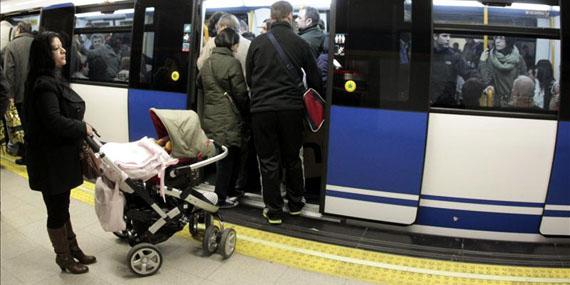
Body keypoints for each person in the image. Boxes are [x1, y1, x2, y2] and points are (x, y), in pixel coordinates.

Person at [24, 31, 96, 274]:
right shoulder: (44, 85)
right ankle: (63, 258)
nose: (63, 51)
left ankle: (73, 249)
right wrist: (82, 127)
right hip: (50, 161)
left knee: (61, 206)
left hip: (55, 157)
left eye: (62, 47)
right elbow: (53, 121)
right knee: (56, 210)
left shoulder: (49, 79)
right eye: (57, 48)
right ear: (46, 55)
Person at [246, 1, 322, 224]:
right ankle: (296, 203)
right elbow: (315, 78)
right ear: (289, 17)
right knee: (292, 158)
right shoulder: (300, 43)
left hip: (262, 110)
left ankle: (274, 211)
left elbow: (250, 78)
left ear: (272, 17)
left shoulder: (257, 43)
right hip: (291, 109)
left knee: (268, 161)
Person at [200, 28, 249, 208]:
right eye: (236, 44)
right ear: (232, 44)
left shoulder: (207, 62)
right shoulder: (232, 63)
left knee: (222, 156)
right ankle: (221, 197)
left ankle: (225, 192)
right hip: (229, 116)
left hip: (211, 115)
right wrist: (247, 111)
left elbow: (199, 83)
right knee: (228, 159)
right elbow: (241, 93)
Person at [3, 21, 34, 165]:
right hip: (38, 94)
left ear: (19, 29)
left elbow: (9, 73)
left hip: (21, 96)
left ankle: (27, 156)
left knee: (24, 127)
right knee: (35, 126)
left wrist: (10, 95)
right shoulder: (37, 43)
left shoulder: (11, 46)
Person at [431, 33, 478, 106]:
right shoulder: (425, 54)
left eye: (449, 36)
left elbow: (470, 73)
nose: (448, 39)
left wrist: (475, 85)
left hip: (446, 103)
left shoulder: (454, 56)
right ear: (435, 36)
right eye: (444, 36)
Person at [197, 13, 251, 78]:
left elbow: (201, 64)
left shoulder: (212, 42)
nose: (217, 31)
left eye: (218, 28)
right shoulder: (249, 44)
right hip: (243, 85)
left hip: (216, 85)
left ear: (223, 27)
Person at [479, 36, 527, 107]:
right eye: (496, 38)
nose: (497, 41)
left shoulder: (518, 59)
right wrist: (482, 62)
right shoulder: (491, 57)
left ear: (508, 40)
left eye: (501, 38)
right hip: (497, 103)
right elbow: (487, 80)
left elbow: (524, 82)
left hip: (515, 103)